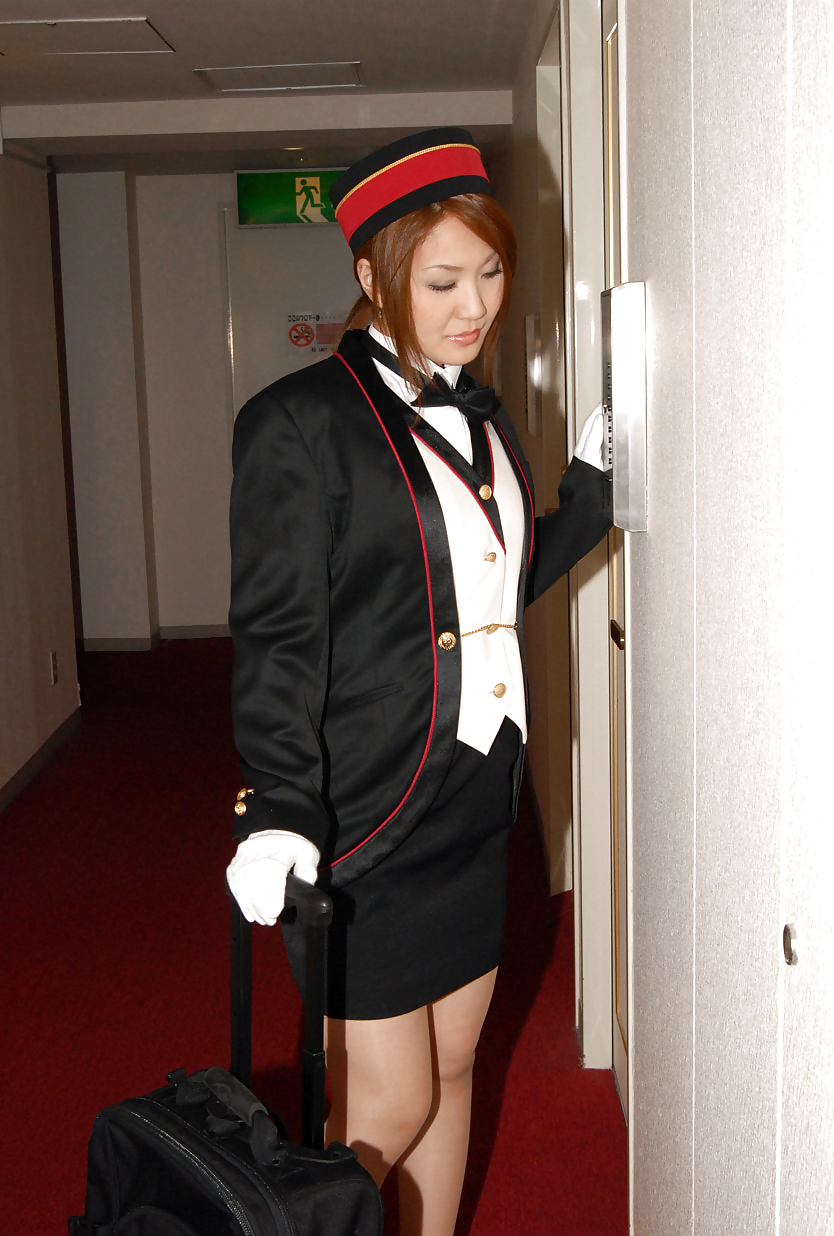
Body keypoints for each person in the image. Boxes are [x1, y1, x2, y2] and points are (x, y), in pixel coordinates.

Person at [225, 127, 611, 1235]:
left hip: (475, 803)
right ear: (372, 273)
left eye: (490, 273)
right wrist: (282, 805)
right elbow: (279, 638)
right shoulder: (299, 424)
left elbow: (489, 579)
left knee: (452, 1066)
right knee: (384, 1103)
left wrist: (589, 493)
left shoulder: (481, 412)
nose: (474, 305)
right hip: (368, 815)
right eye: (443, 281)